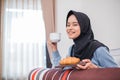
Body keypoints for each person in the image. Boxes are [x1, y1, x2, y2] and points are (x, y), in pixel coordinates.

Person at [48, 10, 118, 69]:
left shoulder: (98, 49)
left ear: (84, 26)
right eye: (68, 25)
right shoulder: (72, 49)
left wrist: (96, 68)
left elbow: (116, 73)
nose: (69, 28)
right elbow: (61, 69)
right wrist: (54, 48)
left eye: (75, 24)